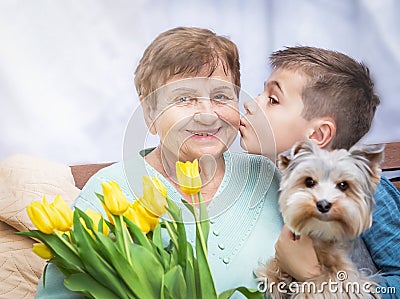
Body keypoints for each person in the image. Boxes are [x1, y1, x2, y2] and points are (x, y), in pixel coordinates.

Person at [35, 27, 283, 298]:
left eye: (221, 96)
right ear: (150, 112)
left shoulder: (267, 176)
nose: (207, 115)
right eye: (184, 98)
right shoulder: (107, 191)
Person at [240, 46, 400, 297]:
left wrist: (316, 279)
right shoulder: (265, 181)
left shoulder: (369, 190)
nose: (251, 104)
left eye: (272, 100)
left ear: (317, 135)